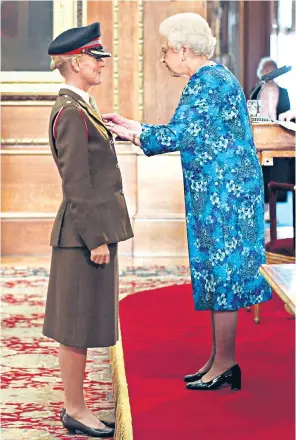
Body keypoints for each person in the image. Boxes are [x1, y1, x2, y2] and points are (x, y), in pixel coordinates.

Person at [103, 13, 272, 391]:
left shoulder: (206, 82)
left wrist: (132, 131)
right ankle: (218, 360)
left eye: (165, 50)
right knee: (217, 273)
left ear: (182, 49)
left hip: (225, 197)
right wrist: (134, 128)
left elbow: (177, 134)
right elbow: (186, 133)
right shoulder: (216, 77)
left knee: (224, 276)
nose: (163, 58)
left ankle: (225, 364)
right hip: (224, 192)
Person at [42, 22, 133, 437]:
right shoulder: (71, 112)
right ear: (77, 62)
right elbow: (76, 183)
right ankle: (75, 410)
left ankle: (76, 406)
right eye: (96, 58)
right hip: (82, 236)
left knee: (81, 321)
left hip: (88, 232)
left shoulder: (83, 107)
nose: (101, 65)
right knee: (75, 324)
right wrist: (96, 239)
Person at [250, 57, 292, 206]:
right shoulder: (256, 91)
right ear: (260, 72)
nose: (269, 73)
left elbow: (286, 113)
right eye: (266, 70)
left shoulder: (283, 92)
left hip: (278, 135)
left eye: (271, 70)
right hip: (260, 136)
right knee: (261, 174)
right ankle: (264, 207)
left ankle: (274, 206)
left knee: (277, 173)